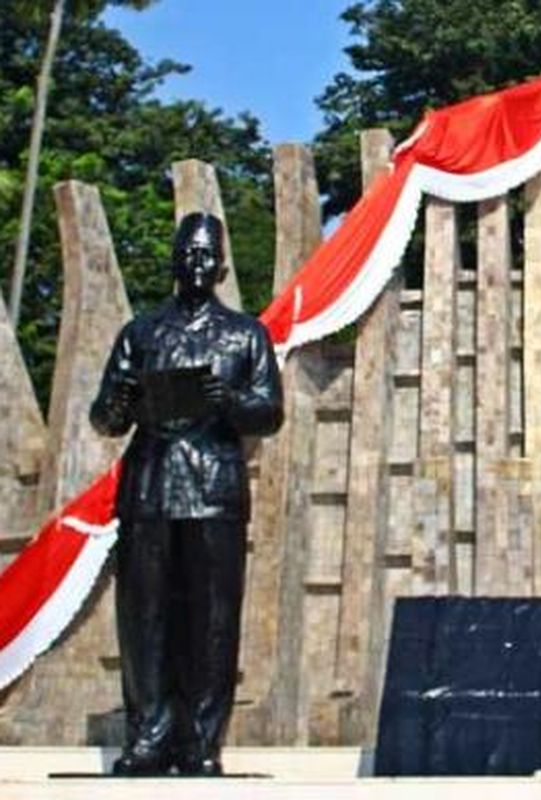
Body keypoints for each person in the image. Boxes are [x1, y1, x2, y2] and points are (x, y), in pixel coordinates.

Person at [90, 212, 284, 776]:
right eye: (187, 254)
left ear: (221, 266)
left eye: (206, 255)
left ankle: (201, 740)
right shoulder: (142, 333)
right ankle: (149, 735)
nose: (196, 264)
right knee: (143, 619)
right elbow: (104, 419)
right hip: (150, 488)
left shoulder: (245, 335)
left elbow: (269, 414)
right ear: (174, 262)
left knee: (212, 621)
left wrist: (228, 400)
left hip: (215, 491)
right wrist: (122, 399)